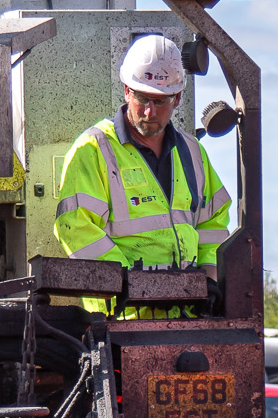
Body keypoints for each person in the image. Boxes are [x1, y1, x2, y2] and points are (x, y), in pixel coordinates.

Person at [51, 33, 232, 316]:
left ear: (177, 98)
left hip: (187, 314)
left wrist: (208, 279)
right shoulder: (94, 149)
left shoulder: (193, 152)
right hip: (119, 317)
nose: (149, 112)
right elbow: (75, 228)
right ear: (126, 91)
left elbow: (213, 223)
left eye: (160, 102)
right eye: (142, 99)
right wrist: (129, 286)